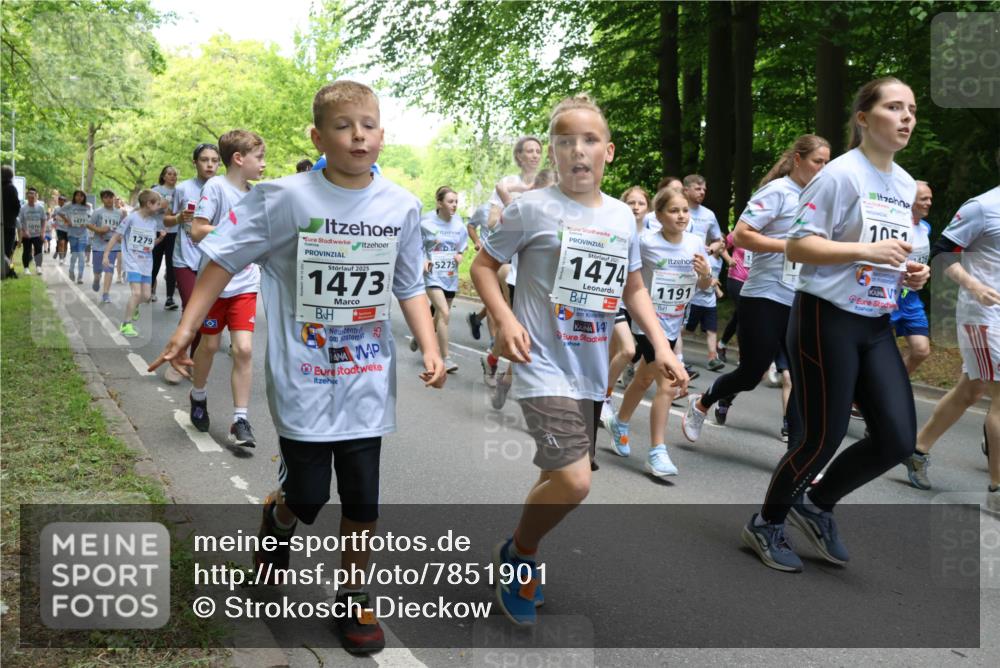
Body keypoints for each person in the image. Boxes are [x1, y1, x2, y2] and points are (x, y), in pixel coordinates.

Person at [150, 80, 445, 655]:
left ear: (382, 133)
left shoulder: (401, 205)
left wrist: (430, 344)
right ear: (317, 135)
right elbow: (220, 260)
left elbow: (408, 282)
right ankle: (277, 517)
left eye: (368, 124)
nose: (357, 135)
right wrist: (186, 331)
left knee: (362, 499)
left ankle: (354, 597)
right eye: (342, 125)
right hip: (304, 378)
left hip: (366, 379)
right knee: (307, 497)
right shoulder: (282, 198)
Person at [471, 94, 687, 625]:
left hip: (590, 370)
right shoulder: (530, 208)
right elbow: (482, 267)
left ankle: (520, 551)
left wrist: (659, 347)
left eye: (589, 140)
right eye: (565, 141)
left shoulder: (620, 216)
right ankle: (520, 555)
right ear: (553, 151)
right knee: (575, 481)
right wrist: (505, 319)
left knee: (559, 476)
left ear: (607, 152)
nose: (578, 150)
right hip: (542, 362)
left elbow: (633, 286)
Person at [735, 77, 929, 573]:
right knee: (821, 436)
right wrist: (866, 250)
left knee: (898, 438)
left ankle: (816, 505)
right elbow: (800, 246)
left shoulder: (904, 183)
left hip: (876, 319)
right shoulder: (840, 175)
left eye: (911, 109)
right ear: (864, 118)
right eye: (893, 107)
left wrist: (912, 271)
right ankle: (766, 522)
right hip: (827, 316)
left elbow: (891, 250)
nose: (906, 117)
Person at [681, 135, 831, 441]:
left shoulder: (824, 199)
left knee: (801, 374)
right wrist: (790, 247)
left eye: (828, 163)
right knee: (751, 373)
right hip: (765, 295)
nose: (823, 169)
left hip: (803, 298)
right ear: (798, 160)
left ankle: (799, 453)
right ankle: (703, 401)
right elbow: (741, 235)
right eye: (818, 161)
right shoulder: (778, 192)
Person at [604, 186, 711, 477]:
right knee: (668, 385)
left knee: (643, 379)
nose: (681, 216)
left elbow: (703, 288)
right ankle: (657, 452)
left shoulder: (695, 243)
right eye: (673, 211)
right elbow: (628, 278)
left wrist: (705, 275)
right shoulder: (645, 242)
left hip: (674, 322)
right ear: (659, 215)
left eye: (685, 210)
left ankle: (620, 421)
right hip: (647, 324)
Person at [905, 179, 1000, 497]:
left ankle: (918, 448)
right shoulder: (983, 208)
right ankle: (997, 489)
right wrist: (975, 286)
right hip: (982, 317)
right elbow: (941, 254)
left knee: (970, 392)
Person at [187, 130, 266, 448]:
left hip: (246, 282)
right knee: (208, 346)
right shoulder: (216, 187)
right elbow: (196, 230)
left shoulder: (257, 195)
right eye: (259, 157)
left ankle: (240, 419)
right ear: (239, 159)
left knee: (244, 349)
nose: (263, 164)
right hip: (215, 283)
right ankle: (198, 395)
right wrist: (233, 229)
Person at [164, 143, 221, 385]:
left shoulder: (224, 188)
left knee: (204, 314)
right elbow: (166, 221)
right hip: (184, 258)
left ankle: (193, 361)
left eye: (214, 160)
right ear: (195, 162)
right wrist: (178, 218)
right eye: (204, 159)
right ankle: (178, 358)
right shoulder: (183, 189)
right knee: (191, 308)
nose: (209, 164)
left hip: (211, 261)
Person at [601, 185, 649, 417]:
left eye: (641, 203)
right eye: (632, 203)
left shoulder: (652, 237)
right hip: (615, 300)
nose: (637, 207)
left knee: (618, 354)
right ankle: (603, 397)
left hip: (638, 303)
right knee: (626, 351)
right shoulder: (614, 227)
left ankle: (600, 395)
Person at [412, 186, 468, 372]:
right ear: (439, 203)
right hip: (432, 276)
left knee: (439, 315)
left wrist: (460, 255)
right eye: (450, 202)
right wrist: (424, 259)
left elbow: (462, 248)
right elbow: (415, 246)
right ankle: (446, 358)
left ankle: (421, 336)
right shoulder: (426, 223)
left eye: (456, 202)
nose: (454, 205)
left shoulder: (459, 226)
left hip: (450, 276)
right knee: (444, 312)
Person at [103, 190, 162, 337]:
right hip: (132, 261)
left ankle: (135, 306)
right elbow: (116, 237)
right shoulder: (131, 218)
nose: (160, 207)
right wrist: (106, 255)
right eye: (158, 204)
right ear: (149, 204)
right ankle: (126, 324)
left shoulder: (153, 223)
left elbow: (149, 245)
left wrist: (160, 239)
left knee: (146, 296)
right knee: (136, 293)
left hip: (147, 263)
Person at [890, 180, 934, 376]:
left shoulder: (925, 228)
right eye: (924, 199)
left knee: (921, 350)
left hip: (911, 297)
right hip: (889, 295)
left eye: (930, 198)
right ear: (909, 201)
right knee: (877, 351)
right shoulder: (896, 227)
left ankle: (890, 384)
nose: (929, 202)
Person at [684, 244, 725, 371]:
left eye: (723, 242)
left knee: (711, 330)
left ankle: (712, 359)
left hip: (710, 302)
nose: (723, 245)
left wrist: (716, 289)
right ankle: (668, 340)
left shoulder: (720, 261)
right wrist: (714, 284)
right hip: (696, 300)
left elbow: (715, 277)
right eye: (720, 242)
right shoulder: (704, 257)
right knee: (687, 329)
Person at [717, 229, 750, 362]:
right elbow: (721, 246)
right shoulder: (740, 232)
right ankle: (743, 354)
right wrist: (729, 259)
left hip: (754, 282)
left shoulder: (766, 234)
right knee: (745, 315)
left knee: (740, 314)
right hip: (736, 278)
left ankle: (721, 344)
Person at [86, 190, 124, 302]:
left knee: (109, 269)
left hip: (113, 245)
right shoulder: (97, 212)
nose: (109, 199)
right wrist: (99, 230)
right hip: (99, 245)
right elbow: (88, 224)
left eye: (111, 197)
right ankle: (96, 279)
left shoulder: (119, 213)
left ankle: (106, 294)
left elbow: (121, 227)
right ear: (102, 199)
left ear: (114, 198)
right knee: (97, 270)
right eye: (106, 197)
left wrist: (121, 237)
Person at [151, 165, 178, 309]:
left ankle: (169, 298)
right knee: (155, 262)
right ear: (163, 176)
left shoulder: (179, 191)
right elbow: (147, 209)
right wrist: (160, 207)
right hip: (157, 230)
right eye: (169, 174)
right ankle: (151, 290)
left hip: (173, 232)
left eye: (174, 174)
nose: (172, 177)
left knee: (171, 265)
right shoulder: (156, 191)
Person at [55, 190, 92, 284]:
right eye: (77, 195)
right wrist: (67, 220)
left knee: (81, 254)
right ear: (74, 196)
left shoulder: (87, 206)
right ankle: (71, 270)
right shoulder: (69, 205)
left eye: (81, 196)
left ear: (84, 197)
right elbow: (59, 212)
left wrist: (87, 222)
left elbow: (91, 217)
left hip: (83, 233)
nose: (79, 197)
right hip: (72, 233)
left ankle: (80, 277)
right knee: (75, 254)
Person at [17, 186, 47, 275]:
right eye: (30, 197)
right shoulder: (23, 208)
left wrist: (42, 232)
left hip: (37, 233)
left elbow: (44, 220)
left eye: (33, 196)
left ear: (36, 197)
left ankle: (38, 267)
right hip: (27, 234)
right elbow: (20, 221)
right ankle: (26, 268)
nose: (32, 198)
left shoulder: (40, 208)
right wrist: (24, 231)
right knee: (26, 251)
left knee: (38, 250)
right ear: (27, 197)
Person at [2, 166, 21, 280]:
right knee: (8, 251)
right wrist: (13, 217)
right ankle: (10, 270)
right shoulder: (11, 188)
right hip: (9, 225)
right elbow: (17, 206)